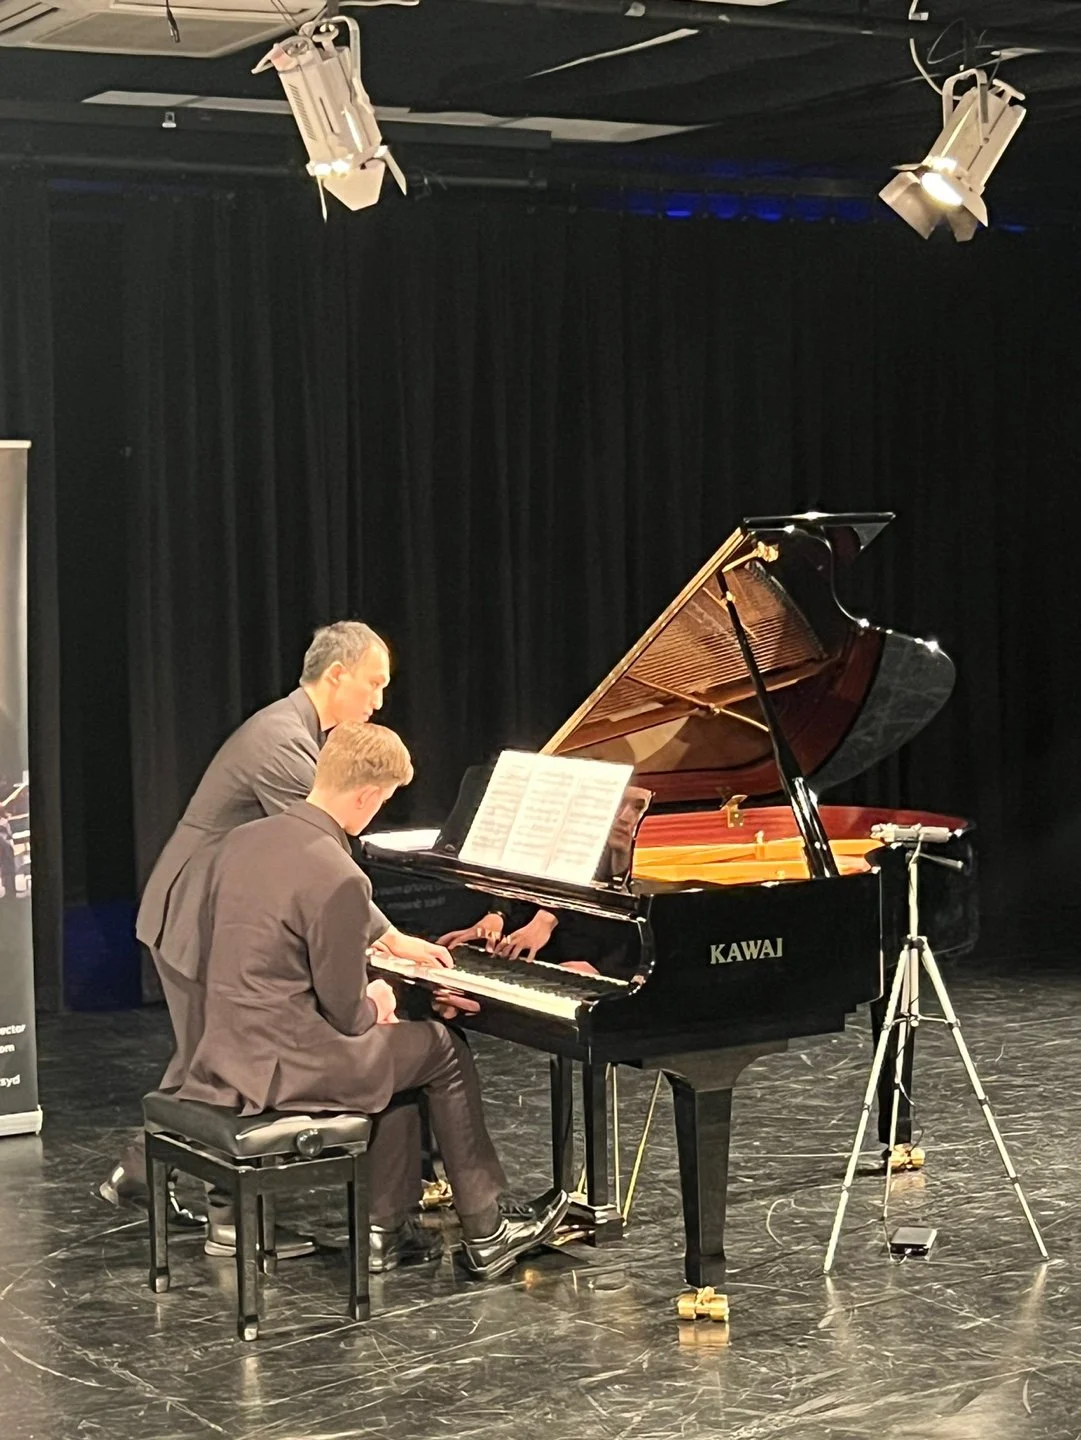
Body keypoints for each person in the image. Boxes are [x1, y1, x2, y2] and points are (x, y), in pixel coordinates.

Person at [100, 622, 449, 1256]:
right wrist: (391, 937)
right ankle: (229, 1221)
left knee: (206, 1062)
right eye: (373, 684)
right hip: (196, 911)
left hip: (213, 906)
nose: (377, 701)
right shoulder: (283, 743)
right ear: (336, 674)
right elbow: (318, 856)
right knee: (221, 1063)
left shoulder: (296, 731)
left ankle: (141, 1170)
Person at [179, 720, 568, 1278]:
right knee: (439, 1047)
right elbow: (345, 1011)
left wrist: (384, 967)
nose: (378, 811)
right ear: (366, 794)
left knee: (401, 1055)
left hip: (228, 1049)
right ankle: (487, 1228)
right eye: (383, 800)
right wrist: (377, 999)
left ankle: (387, 1233)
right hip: (290, 1064)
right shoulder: (339, 873)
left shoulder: (244, 841)